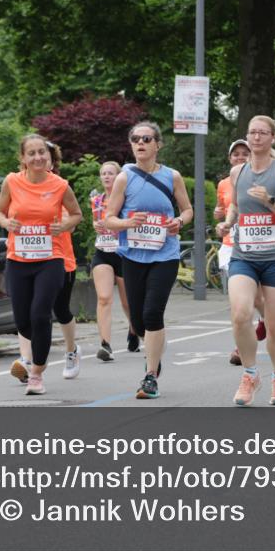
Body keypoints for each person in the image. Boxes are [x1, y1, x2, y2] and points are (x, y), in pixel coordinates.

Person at [103, 121, 192, 399]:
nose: (140, 143)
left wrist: (178, 221)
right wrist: (128, 222)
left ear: (158, 144)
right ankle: (154, 352)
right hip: (133, 256)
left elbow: (188, 210)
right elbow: (109, 218)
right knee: (139, 322)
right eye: (135, 139)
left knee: (153, 313)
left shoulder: (172, 176)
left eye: (146, 138)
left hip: (165, 255)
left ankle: (150, 375)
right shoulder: (124, 177)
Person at [216, 115, 275, 405]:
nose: (256, 138)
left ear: (272, 138)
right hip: (244, 255)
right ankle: (250, 374)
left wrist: (270, 202)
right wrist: (227, 223)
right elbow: (236, 207)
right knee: (240, 314)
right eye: (252, 132)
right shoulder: (237, 173)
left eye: (263, 133)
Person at [0, 135, 82, 395]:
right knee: (23, 321)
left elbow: (76, 214)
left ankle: (37, 373)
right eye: (31, 153)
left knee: (40, 314)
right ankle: (37, 356)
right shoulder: (12, 182)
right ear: (22, 158)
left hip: (50, 259)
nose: (37, 158)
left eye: (41, 152)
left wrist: (64, 225)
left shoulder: (60, 185)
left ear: (49, 156)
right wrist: (6, 223)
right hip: (19, 259)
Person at [214, 139, 267, 366]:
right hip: (231, 245)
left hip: (256, 244)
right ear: (229, 158)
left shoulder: (262, 179)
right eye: (235, 154)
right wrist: (220, 217)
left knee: (256, 297)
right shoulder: (224, 184)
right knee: (238, 301)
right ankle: (240, 346)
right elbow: (224, 209)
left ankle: (271, 321)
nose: (240, 157)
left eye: (244, 153)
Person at [90, 161, 137, 362]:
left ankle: (134, 329)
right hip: (102, 251)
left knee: (128, 302)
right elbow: (95, 221)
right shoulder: (97, 200)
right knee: (104, 298)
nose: (107, 177)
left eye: (111, 173)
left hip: (122, 253)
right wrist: (96, 225)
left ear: (119, 177)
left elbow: (132, 222)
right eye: (103, 174)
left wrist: (116, 225)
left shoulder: (126, 200)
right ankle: (105, 344)